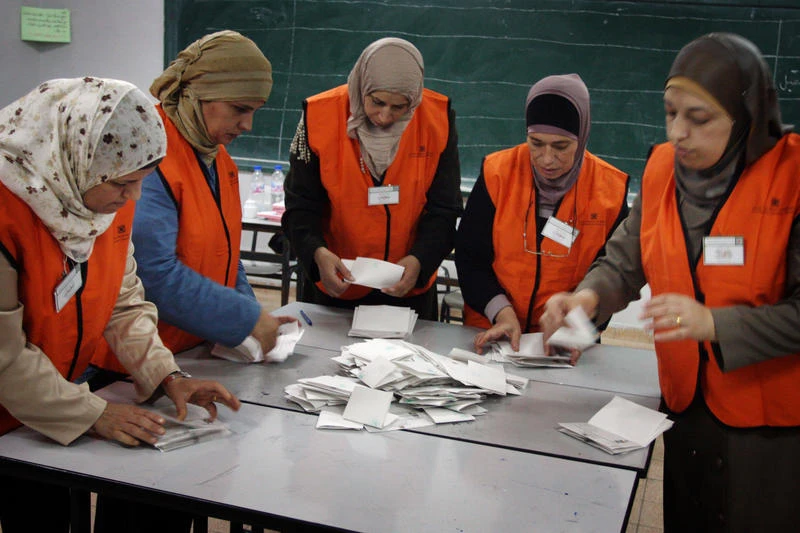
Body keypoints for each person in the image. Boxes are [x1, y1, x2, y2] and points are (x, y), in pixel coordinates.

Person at [542, 33, 800, 532]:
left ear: (745, 116)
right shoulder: (663, 169)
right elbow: (625, 258)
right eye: (670, 113)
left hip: (770, 427)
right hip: (686, 405)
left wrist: (716, 324)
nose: (678, 132)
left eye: (698, 118)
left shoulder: (791, 178)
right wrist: (586, 297)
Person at [0, 77, 241, 532]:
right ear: (74, 161)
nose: (131, 200)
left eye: (141, 184)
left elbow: (122, 301)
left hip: (48, 409)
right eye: (124, 185)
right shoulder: (8, 211)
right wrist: (94, 413)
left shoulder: (100, 197)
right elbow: (4, 357)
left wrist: (165, 374)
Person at [89, 31, 294, 381]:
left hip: (193, 352)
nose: (247, 125)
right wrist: (245, 319)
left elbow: (227, 255)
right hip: (133, 366)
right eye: (239, 110)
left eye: (255, 111)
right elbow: (152, 274)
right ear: (198, 95)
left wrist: (253, 312)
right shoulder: (150, 156)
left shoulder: (218, 158)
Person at [282, 37, 463, 321]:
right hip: (336, 284)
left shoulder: (436, 119)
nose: (385, 115)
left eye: (400, 107)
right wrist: (316, 254)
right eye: (377, 102)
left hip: (406, 289)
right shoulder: (320, 116)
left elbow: (445, 208)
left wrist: (420, 260)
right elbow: (300, 207)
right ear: (362, 85)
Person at [456, 74, 629, 354]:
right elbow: (470, 258)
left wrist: (577, 327)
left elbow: (611, 276)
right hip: (492, 331)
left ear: (582, 136)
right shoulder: (497, 173)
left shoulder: (610, 191)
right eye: (536, 143)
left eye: (561, 146)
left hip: (564, 342)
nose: (547, 159)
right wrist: (501, 312)